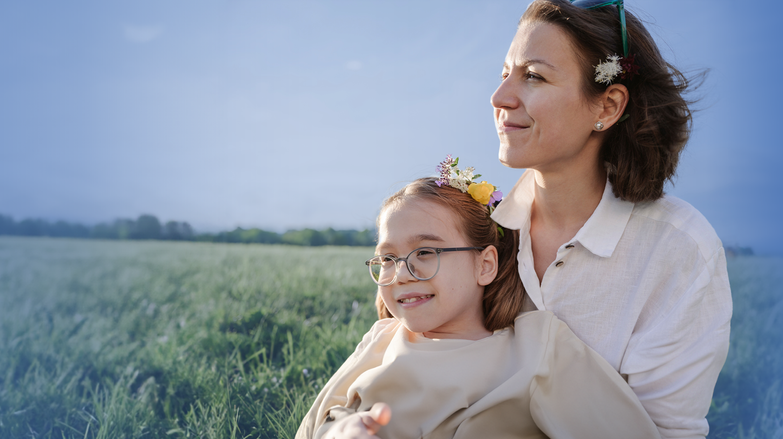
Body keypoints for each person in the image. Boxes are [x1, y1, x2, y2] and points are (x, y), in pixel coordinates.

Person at [489, 1, 731, 437]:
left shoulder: (678, 250)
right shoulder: (481, 229)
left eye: (534, 76)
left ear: (607, 107)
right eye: (505, 72)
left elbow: (666, 431)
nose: (501, 97)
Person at [295, 163, 660, 439]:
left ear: (484, 265)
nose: (401, 273)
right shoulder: (384, 339)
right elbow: (316, 422)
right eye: (387, 259)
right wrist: (344, 429)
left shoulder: (535, 349)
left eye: (425, 251)